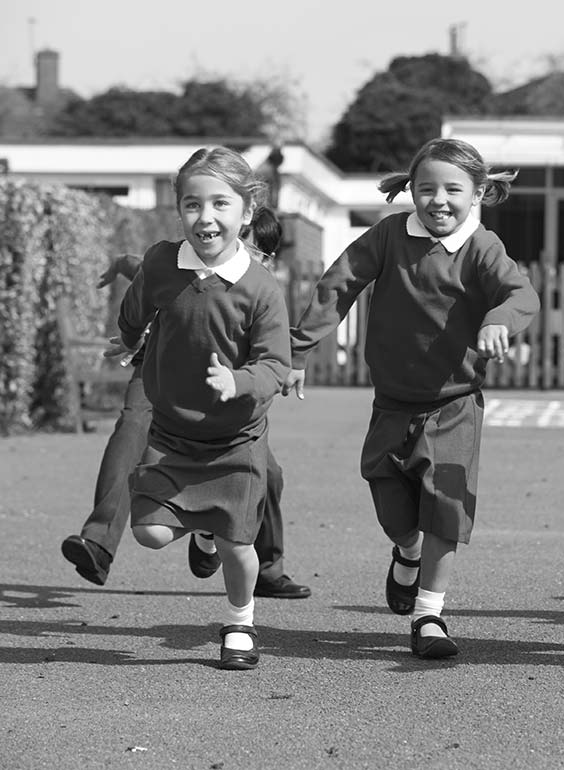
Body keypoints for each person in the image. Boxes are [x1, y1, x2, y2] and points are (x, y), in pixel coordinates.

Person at [283, 138, 539, 659]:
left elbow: (521, 295)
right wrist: (299, 348)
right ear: (411, 191)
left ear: (480, 193)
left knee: (446, 507)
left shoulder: (482, 247)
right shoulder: (390, 236)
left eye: (453, 190)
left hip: (455, 406)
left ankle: (430, 615)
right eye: (427, 189)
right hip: (393, 404)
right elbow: (338, 285)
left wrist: (498, 321)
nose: (438, 201)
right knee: (395, 511)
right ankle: (407, 551)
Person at [60, 208, 311, 600]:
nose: (236, 251)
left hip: (223, 388)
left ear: (265, 259)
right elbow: (145, 267)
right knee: (132, 429)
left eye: (252, 250)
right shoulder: (187, 262)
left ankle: (261, 565)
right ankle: (98, 540)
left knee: (270, 474)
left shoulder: (258, 289)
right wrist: (119, 265)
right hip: (162, 370)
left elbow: (274, 352)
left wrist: (287, 366)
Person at [110, 146, 291, 670]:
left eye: (220, 204)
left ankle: (240, 623)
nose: (205, 217)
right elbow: (137, 304)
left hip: (236, 440)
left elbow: (275, 364)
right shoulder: (163, 261)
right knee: (148, 532)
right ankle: (204, 530)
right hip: (170, 433)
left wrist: (238, 380)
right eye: (192, 204)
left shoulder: (259, 287)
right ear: (178, 209)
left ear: (246, 212)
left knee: (239, 546)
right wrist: (127, 337)